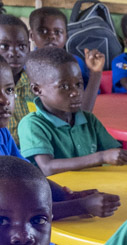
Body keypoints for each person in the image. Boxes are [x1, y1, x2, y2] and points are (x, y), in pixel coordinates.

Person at [0, 63, 118, 220]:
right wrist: (80, 205)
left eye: (8, 90)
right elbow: (16, 212)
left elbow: (28, 176)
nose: (5, 100)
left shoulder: (3, 134)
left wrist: (66, 195)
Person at [17, 49, 127, 176]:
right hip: (55, 193)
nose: (76, 92)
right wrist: (101, 157)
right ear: (37, 89)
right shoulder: (32, 124)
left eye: (78, 84)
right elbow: (48, 167)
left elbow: (114, 154)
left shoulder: (88, 119)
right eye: (64, 86)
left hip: (92, 187)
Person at [28, 7, 105, 104]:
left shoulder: (75, 63)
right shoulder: (26, 64)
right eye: (43, 31)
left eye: (57, 32)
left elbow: (90, 94)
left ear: (66, 36)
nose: (52, 36)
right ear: (31, 35)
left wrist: (95, 72)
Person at [0, 15, 38, 121]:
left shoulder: (37, 84)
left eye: (22, 46)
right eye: (4, 46)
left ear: (29, 47)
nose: (14, 53)